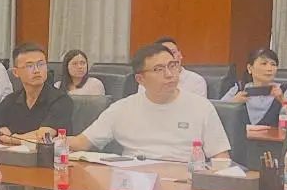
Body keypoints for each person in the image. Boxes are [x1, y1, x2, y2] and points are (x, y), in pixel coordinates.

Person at [68, 43, 231, 161]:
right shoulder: (122, 108)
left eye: (172, 66)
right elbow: (82, 142)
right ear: (140, 79)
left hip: (184, 182)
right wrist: (55, 141)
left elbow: (221, 158)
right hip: (134, 183)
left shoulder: (201, 107)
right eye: (159, 69)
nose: (169, 74)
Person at [0, 42, 71, 145]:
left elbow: (44, 136)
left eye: (41, 64)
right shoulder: (11, 100)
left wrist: (12, 139)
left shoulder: (61, 100)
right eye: (29, 66)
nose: (37, 70)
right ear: (16, 72)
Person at [220, 48, 287, 126]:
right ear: (250, 68)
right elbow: (218, 112)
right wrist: (232, 104)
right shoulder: (239, 88)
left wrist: (283, 100)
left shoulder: (285, 90)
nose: (269, 69)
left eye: (273, 64)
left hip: (274, 136)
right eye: (264, 64)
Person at [138, 36, 208, 98]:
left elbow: (198, 108)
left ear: (180, 55)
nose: (170, 58)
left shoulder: (196, 81)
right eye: (164, 54)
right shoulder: (147, 81)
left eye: (173, 52)